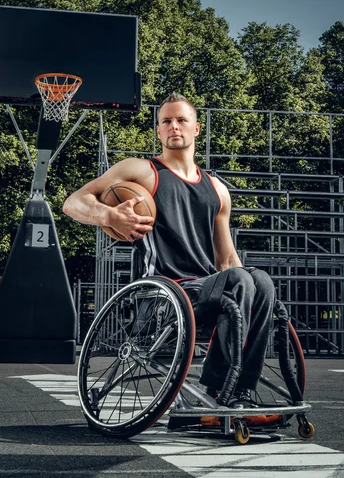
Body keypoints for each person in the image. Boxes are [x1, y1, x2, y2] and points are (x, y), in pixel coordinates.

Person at [63, 92, 275, 406]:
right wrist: (108, 214)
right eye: (166, 121)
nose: (174, 126)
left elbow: (227, 259)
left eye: (181, 120)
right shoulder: (142, 171)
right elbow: (73, 202)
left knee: (261, 282)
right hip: (160, 296)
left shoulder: (217, 189)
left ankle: (242, 390)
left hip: (206, 291)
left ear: (196, 129)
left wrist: (254, 295)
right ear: (159, 131)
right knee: (241, 282)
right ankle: (219, 392)